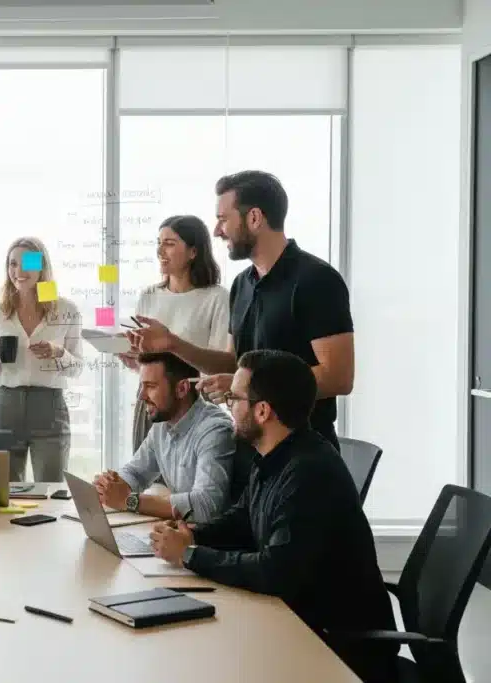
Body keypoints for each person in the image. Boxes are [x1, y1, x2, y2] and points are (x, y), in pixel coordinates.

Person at [150, 350, 396, 683]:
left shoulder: (308, 474)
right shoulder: (273, 456)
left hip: (334, 645)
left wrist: (191, 555)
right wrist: (192, 535)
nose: (229, 407)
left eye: (234, 399)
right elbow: (243, 519)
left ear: (263, 411)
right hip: (294, 619)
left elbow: (275, 571)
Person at [128, 171, 353, 451]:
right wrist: (172, 344)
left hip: (302, 452)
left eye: (223, 219)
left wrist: (244, 388)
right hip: (249, 448)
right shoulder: (242, 285)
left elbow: (338, 377)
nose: (216, 231)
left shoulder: (316, 280)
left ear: (254, 218)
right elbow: (234, 362)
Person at [122, 215, 229, 453]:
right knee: (146, 472)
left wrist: (172, 343)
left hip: (194, 401)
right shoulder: (149, 296)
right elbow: (147, 361)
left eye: (169, 243)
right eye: (159, 243)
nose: (160, 251)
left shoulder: (217, 298)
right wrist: (134, 360)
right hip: (151, 398)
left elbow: (221, 365)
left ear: (193, 252)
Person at [0, 237, 83, 482]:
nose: (19, 271)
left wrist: (58, 352)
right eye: (12, 264)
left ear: (42, 266)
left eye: (27, 263)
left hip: (49, 406)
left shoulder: (66, 310)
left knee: (51, 486)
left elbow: (77, 368)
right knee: (4, 488)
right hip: (5, 404)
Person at [93, 352, 235, 523]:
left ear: (182, 389)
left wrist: (129, 500)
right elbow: (136, 473)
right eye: (142, 386)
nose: (141, 396)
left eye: (150, 386)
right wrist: (110, 486)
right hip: (182, 531)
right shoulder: (162, 425)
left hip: (214, 537)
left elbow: (206, 505)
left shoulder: (214, 430)